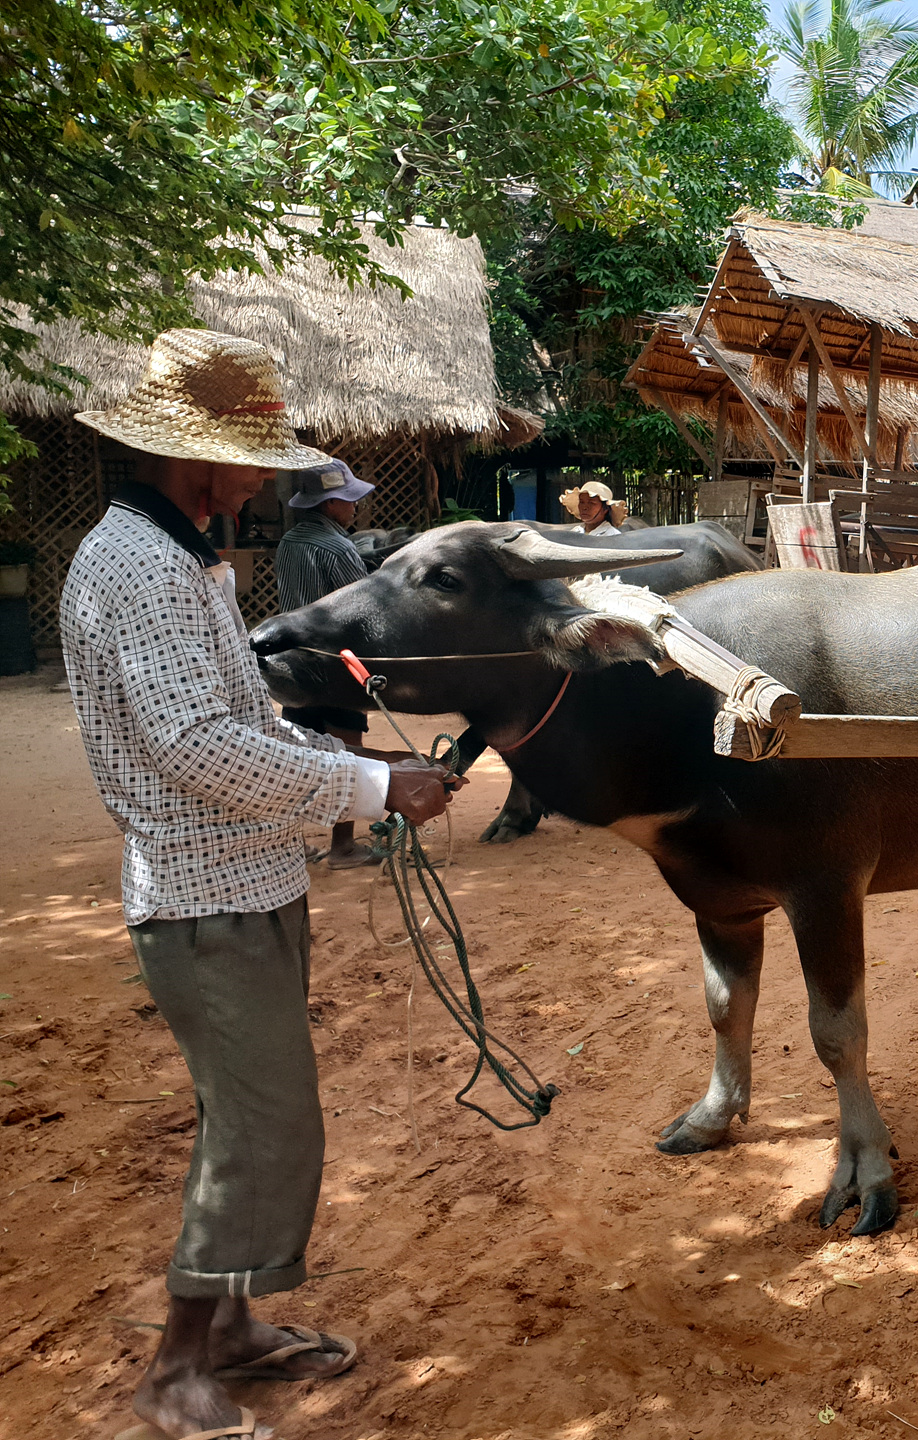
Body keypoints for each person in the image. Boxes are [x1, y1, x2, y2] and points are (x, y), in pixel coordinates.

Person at [60, 329, 465, 1440]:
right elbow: (193, 745)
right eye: (251, 465)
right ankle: (176, 1371)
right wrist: (371, 783)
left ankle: (232, 1329)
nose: (261, 484)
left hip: (246, 877)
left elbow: (233, 717)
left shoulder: (181, 555)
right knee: (265, 1128)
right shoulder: (141, 569)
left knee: (241, 1119)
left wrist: (342, 761)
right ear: (201, 460)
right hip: (204, 897)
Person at [276, 460, 379, 868]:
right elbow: (361, 606)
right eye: (348, 500)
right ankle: (343, 847)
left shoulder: (289, 542)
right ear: (330, 503)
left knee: (295, 756)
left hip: (292, 663)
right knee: (348, 753)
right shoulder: (338, 548)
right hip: (336, 666)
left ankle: (288, 845)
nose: (354, 506)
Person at [558, 479, 627, 535]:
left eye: (591, 503)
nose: (584, 507)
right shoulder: (574, 532)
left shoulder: (612, 535)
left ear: (605, 509)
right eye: (581, 502)